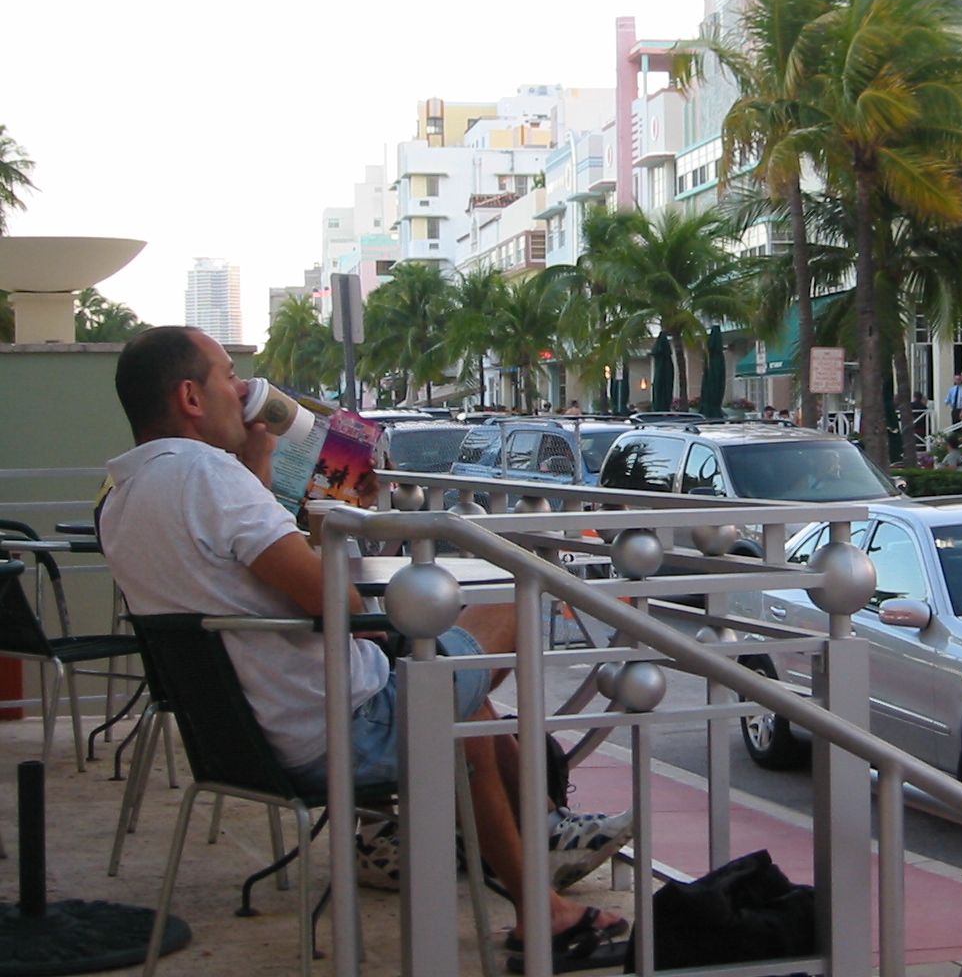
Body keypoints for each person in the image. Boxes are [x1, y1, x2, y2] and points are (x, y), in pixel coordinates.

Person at [100, 328, 630, 974]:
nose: (241, 389)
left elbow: (249, 577)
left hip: (243, 741)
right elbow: (341, 606)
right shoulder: (206, 475)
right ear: (189, 396)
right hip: (336, 730)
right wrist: (334, 493)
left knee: (464, 718)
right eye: (225, 375)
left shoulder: (122, 497)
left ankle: (540, 882)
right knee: (510, 593)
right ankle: (539, 861)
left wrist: (267, 476)